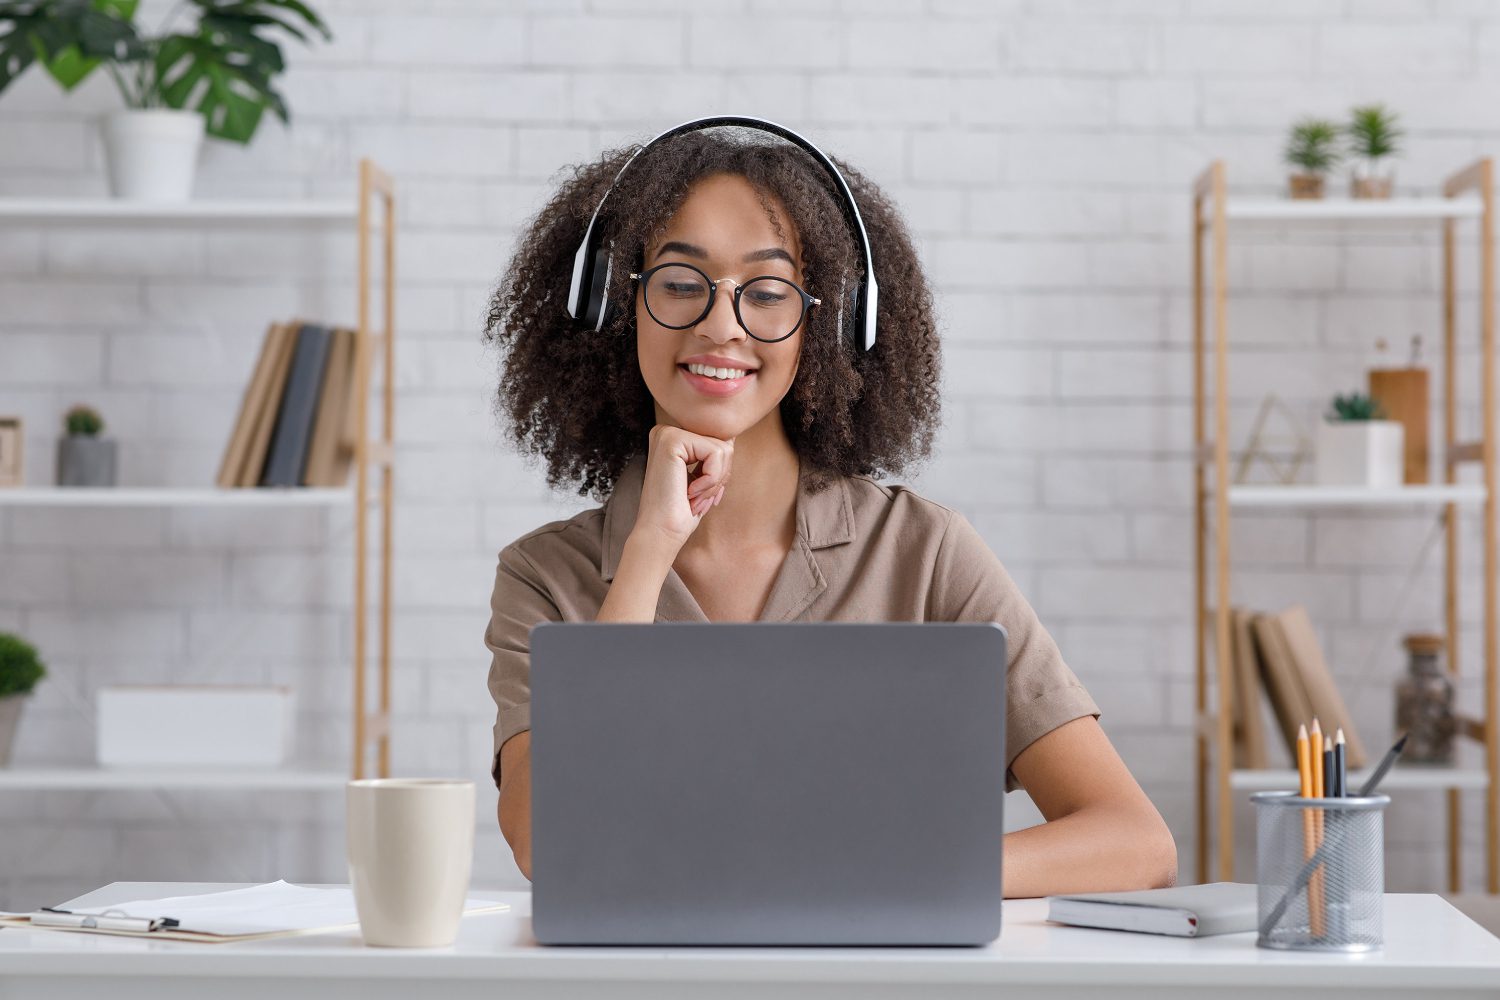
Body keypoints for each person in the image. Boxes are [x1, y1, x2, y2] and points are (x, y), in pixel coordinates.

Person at [482, 123, 1176, 896]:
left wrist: (871, 875)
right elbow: (551, 845)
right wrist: (648, 551)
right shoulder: (545, 577)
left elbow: (1134, 842)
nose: (721, 325)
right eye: (680, 283)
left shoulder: (924, 552)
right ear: (620, 307)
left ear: (830, 325)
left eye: (769, 292)